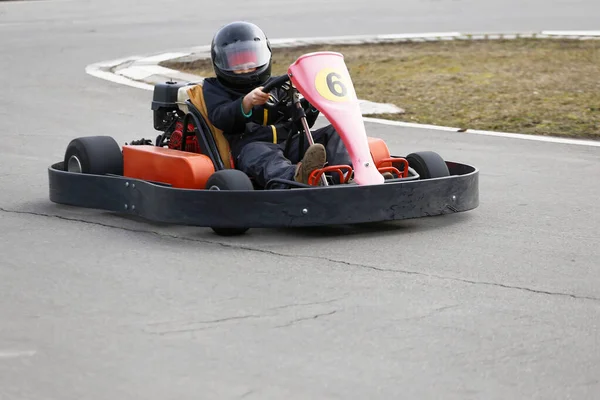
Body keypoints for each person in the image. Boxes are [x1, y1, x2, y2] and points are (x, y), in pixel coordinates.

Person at [202, 21, 353, 188]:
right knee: (264, 154)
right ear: (221, 61)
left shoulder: (278, 84)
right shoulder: (214, 87)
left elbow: (300, 123)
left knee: (335, 131)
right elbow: (220, 117)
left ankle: (348, 175)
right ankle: (294, 180)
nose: (245, 67)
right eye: (237, 62)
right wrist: (246, 103)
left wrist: (312, 104)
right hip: (249, 148)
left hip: (288, 142)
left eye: (250, 59)